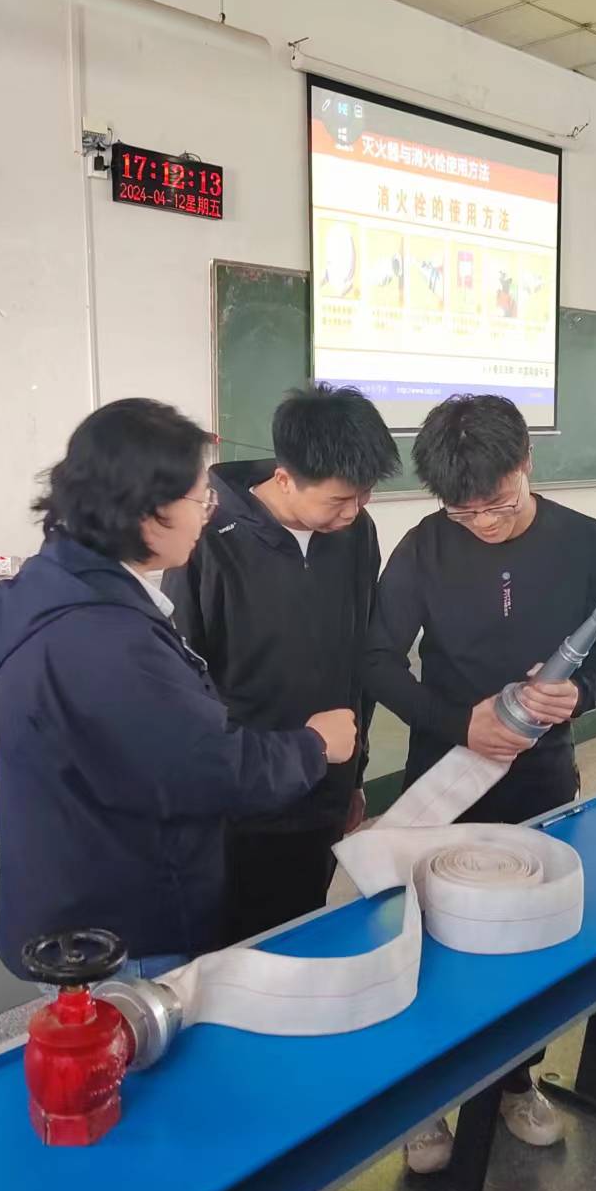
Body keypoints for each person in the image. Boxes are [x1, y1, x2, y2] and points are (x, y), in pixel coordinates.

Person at [0, 398, 356, 980]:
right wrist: (315, 746)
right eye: (200, 498)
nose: (209, 513)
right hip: (121, 927)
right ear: (147, 511)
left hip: (87, 888)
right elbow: (205, 768)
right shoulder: (101, 636)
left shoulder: (54, 584)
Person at [363, 393, 596, 1172]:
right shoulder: (424, 547)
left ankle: (516, 1078)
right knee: (434, 939)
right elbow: (377, 659)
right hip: (446, 779)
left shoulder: (584, 541)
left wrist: (578, 693)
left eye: (499, 503)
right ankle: (425, 1100)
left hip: (541, 777)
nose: (482, 521)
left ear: (527, 463)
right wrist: (459, 722)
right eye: (464, 510)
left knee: (526, 938)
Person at [168, 384, 400, 945]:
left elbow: (359, 657)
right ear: (284, 478)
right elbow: (185, 684)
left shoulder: (356, 533)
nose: (353, 512)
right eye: (338, 500)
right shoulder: (208, 540)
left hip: (325, 788)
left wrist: (354, 774)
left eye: (364, 497)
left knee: (303, 931)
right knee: (239, 950)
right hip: (243, 800)